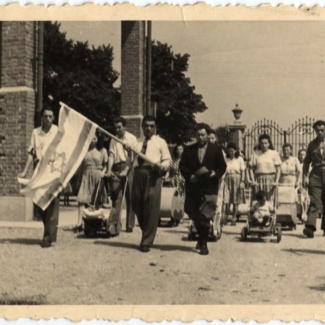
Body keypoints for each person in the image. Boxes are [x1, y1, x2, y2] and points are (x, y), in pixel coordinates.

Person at [180, 123, 227, 255]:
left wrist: (215, 174)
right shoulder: (189, 150)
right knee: (192, 213)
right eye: (198, 135)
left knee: (205, 217)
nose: (200, 137)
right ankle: (201, 238)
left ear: (208, 135)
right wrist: (190, 176)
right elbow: (182, 166)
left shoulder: (216, 150)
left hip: (209, 187)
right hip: (193, 187)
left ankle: (203, 243)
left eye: (203, 135)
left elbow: (222, 167)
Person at [18, 105, 59, 248]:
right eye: (45, 116)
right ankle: (48, 230)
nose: (48, 119)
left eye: (50, 116)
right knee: (38, 205)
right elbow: (31, 152)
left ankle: (48, 236)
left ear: (53, 118)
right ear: (41, 117)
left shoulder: (57, 132)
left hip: (53, 171)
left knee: (51, 205)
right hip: (39, 171)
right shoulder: (36, 133)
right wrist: (25, 171)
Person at [132, 115, 171, 253]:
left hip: (153, 174)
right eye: (146, 126)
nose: (149, 128)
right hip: (138, 174)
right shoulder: (137, 142)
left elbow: (167, 161)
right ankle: (147, 230)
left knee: (151, 206)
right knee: (136, 203)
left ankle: (146, 241)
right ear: (142, 127)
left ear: (155, 127)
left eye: (151, 126)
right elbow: (132, 160)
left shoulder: (161, 142)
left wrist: (162, 166)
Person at [106, 116, 138, 233]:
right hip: (117, 167)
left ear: (124, 127)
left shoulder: (132, 138)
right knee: (116, 198)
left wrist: (128, 168)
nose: (117, 130)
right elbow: (111, 155)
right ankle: (115, 225)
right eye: (115, 128)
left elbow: (134, 157)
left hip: (129, 166)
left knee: (130, 196)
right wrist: (109, 169)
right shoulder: (113, 139)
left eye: (119, 127)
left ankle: (129, 225)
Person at [76, 131, 108, 232]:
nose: (92, 140)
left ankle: (95, 223)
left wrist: (103, 172)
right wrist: (79, 179)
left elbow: (106, 165)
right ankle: (79, 223)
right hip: (86, 175)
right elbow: (81, 166)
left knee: (97, 201)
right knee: (81, 200)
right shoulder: (84, 150)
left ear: (98, 139)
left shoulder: (102, 151)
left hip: (97, 175)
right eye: (91, 138)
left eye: (94, 138)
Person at [302, 120, 325, 238]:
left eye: (322, 130)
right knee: (314, 200)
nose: (320, 132)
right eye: (317, 130)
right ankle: (310, 227)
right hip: (315, 174)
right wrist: (305, 176)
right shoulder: (312, 144)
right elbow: (306, 162)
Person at [249, 134, 281, 203]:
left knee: (270, 200)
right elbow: (251, 169)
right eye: (262, 143)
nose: (264, 145)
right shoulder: (255, 154)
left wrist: (276, 181)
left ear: (269, 144)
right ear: (259, 144)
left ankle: (272, 213)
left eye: (265, 143)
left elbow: (278, 169)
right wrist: (253, 180)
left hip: (271, 179)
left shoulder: (274, 153)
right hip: (259, 180)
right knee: (259, 200)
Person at [223, 142, 246, 226]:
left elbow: (243, 171)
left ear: (235, 151)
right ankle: (227, 216)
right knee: (226, 199)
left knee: (235, 200)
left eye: (232, 151)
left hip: (237, 178)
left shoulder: (239, 159)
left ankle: (234, 218)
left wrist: (242, 181)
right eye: (229, 151)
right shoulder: (226, 158)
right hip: (227, 178)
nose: (230, 153)